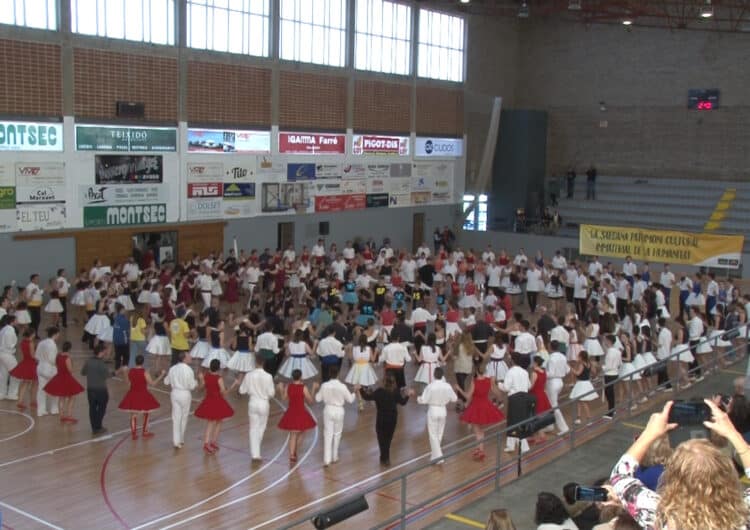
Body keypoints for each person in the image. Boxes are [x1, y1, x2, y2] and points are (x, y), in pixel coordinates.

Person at [610, 399, 750, 530]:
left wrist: (649, 433)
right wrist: (733, 434)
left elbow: (620, 477)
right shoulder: (742, 516)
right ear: (727, 473)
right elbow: (619, 477)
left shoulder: (659, 515)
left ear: (673, 478)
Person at [359, 374, 412, 466]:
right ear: (394, 382)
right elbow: (403, 403)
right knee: (388, 439)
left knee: (381, 439)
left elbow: (366, 397)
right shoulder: (395, 392)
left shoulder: (379, 392)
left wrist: (360, 389)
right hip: (392, 419)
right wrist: (408, 395)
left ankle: (384, 457)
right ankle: (385, 458)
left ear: (384, 382)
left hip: (381, 419)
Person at [456, 361, 506, 460]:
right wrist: (500, 398)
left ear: (476, 371)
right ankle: (479, 448)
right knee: (480, 430)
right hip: (486, 406)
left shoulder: (474, 382)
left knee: (477, 430)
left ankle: (480, 450)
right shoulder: (489, 380)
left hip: (476, 407)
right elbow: (497, 392)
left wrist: (459, 389)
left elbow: (467, 396)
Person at [195, 359, 239, 454]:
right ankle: (207, 443)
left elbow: (200, 389)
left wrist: (201, 379)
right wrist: (233, 385)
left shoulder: (206, 376)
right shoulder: (219, 378)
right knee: (213, 422)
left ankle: (212, 441)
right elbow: (224, 393)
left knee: (217, 421)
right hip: (217, 401)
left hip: (209, 400)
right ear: (219, 368)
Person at [315, 365, 355, 466]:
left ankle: (326, 460)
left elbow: (317, 399)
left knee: (328, 434)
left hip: (328, 409)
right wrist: (354, 392)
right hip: (339, 410)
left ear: (329, 374)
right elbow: (350, 400)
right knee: (337, 434)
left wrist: (315, 389)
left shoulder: (324, 385)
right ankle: (335, 456)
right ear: (338, 374)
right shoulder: (342, 386)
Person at [118, 354, 165, 440]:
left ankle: (133, 434)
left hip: (132, 394)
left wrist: (125, 374)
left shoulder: (131, 371)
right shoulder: (145, 372)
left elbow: (128, 384)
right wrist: (161, 375)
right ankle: (145, 431)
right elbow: (153, 384)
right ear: (143, 362)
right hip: (143, 394)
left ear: (135, 361)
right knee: (146, 413)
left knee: (133, 415)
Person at [238, 354, 276, 461]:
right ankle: (256, 451)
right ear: (264, 363)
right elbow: (272, 393)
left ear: (255, 362)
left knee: (253, 428)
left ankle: (255, 453)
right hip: (263, 403)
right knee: (261, 427)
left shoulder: (249, 375)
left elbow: (242, 390)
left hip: (252, 402)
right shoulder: (268, 376)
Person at [417, 366, 458, 463]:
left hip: (433, 410)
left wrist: (418, 399)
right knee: (439, 433)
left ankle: (438, 457)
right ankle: (435, 457)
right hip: (443, 410)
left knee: (433, 435)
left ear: (434, 375)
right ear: (442, 375)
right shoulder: (447, 386)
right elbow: (454, 399)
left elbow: (423, 400)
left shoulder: (430, 386)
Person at [277, 369, 317, 463]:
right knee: (302, 432)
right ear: (301, 377)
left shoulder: (289, 386)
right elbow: (311, 401)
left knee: (293, 434)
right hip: (300, 412)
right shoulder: (303, 388)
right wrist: (314, 389)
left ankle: (292, 454)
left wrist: (281, 389)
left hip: (291, 412)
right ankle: (293, 452)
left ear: (292, 377)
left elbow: (283, 398)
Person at [44, 340, 84, 423]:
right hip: (67, 378)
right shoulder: (67, 358)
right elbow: (70, 370)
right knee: (72, 397)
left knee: (61, 397)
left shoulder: (58, 356)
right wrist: (76, 367)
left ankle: (62, 415)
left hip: (59, 377)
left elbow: (56, 364)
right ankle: (69, 415)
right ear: (69, 349)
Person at [164, 350, 198, 449]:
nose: (191, 357)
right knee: (183, 417)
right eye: (189, 356)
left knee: (176, 417)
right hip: (185, 394)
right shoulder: (189, 370)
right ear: (184, 358)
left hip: (174, 393)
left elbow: (166, 382)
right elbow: (191, 386)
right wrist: (196, 382)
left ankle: (176, 441)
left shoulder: (173, 368)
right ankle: (181, 440)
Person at [81, 343, 111, 435]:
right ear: (101, 352)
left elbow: (83, 372)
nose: (106, 354)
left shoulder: (88, 361)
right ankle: (98, 426)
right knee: (101, 408)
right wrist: (117, 372)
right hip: (101, 389)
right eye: (105, 352)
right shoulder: (101, 364)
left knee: (92, 408)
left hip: (90, 389)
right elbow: (108, 375)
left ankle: (94, 427)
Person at [545, 341, 570, 435]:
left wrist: (542, 373)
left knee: (553, 405)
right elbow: (567, 370)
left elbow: (550, 373)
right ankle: (549, 425)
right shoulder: (563, 357)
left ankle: (564, 428)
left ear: (551, 347)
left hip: (552, 383)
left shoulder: (551, 358)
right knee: (549, 404)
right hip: (560, 381)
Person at [35, 325, 60, 416]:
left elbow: (36, 356)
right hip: (50, 368)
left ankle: (40, 410)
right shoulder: (52, 345)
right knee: (54, 388)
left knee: (41, 389)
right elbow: (52, 359)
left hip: (40, 367)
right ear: (55, 334)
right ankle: (54, 408)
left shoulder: (41, 342)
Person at [11, 328, 37, 410]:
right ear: (32, 334)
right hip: (31, 364)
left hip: (25, 363)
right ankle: (33, 401)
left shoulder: (22, 342)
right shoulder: (31, 343)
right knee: (35, 383)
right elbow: (33, 355)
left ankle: (20, 401)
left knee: (24, 383)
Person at [570, 350, 596, 424]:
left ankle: (589, 419)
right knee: (579, 401)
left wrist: (571, 369)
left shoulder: (582, 364)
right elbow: (594, 372)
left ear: (581, 357)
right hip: (587, 383)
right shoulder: (589, 364)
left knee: (584, 402)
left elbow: (578, 373)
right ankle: (578, 418)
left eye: (578, 356)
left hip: (582, 384)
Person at [0, 314, 20, 401]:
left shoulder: (3, 330)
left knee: (3, 374)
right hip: (7, 354)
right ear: (12, 321)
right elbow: (9, 345)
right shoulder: (10, 331)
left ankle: (2, 393)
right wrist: (14, 347)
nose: (17, 321)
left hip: (1, 354)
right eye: (16, 320)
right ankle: (12, 393)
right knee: (16, 374)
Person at [111, 303, 130, 370]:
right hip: (123, 341)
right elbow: (127, 331)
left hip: (116, 340)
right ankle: (124, 368)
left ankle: (117, 368)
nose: (125, 310)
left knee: (118, 356)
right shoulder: (124, 320)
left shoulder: (116, 318)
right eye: (124, 309)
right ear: (121, 310)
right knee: (126, 356)